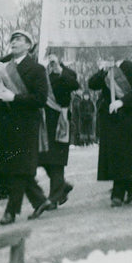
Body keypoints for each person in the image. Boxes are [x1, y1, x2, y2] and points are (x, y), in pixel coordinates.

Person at [0, 30, 54, 224]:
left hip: (26, 125)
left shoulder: (37, 69)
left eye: (18, 39)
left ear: (28, 46)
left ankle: (10, 213)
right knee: (14, 167)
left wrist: (14, 98)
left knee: (18, 168)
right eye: (12, 39)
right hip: (6, 125)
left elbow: (40, 99)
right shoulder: (3, 67)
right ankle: (40, 201)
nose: (13, 42)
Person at [89, 57, 132, 206]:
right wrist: (102, 71)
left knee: (125, 154)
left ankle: (119, 191)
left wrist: (122, 102)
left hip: (127, 116)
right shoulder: (107, 69)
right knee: (114, 155)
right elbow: (92, 84)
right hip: (110, 117)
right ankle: (129, 184)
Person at [38, 54, 79, 209]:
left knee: (56, 160)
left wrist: (59, 69)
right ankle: (62, 186)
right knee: (41, 158)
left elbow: (74, 85)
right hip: (42, 120)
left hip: (59, 121)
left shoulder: (66, 72)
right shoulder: (40, 71)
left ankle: (54, 198)